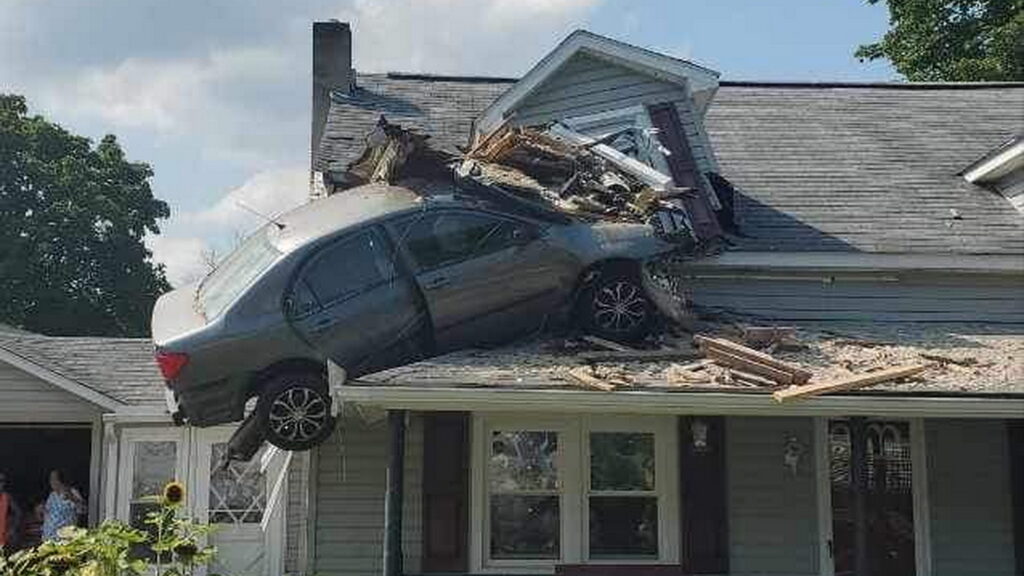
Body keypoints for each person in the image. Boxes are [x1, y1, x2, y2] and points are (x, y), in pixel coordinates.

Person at [41, 470, 85, 541]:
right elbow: (47, 513)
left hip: (65, 536)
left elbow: (83, 510)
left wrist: (72, 498)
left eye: (54, 479)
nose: (51, 482)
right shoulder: (52, 495)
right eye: (51, 480)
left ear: (60, 480)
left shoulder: (72, 492)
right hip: (50, 536)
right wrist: (42, 509)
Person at [0, 471, 23, 553]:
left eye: (2, 481)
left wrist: (13, 528)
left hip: (4, 537)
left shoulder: (7, 497)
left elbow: (19, 513)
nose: (1, 484)